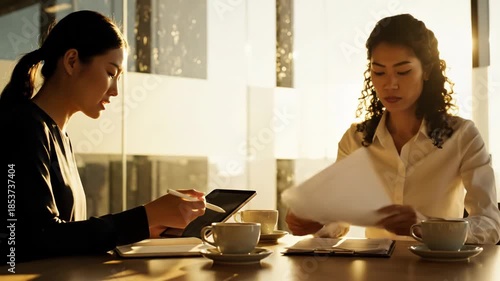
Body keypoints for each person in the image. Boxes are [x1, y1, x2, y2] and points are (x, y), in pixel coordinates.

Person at [0, 10, 206, 263]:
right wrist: (145, 216)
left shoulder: (58, 135)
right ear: (72, 61)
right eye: (111, 73)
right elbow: (35, 237)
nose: (115, 90)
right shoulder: (23, 127)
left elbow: (63, 236)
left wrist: (146, 228)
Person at [286, 13, 500, 244]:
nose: (390, 84)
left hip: (441, 272)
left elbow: (490, 224)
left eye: (403, 71)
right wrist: (316, 220)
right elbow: (340, 220)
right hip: (373, 272)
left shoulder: (462, 135)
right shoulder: (355, 139)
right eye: (379, 72)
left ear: (427, 71)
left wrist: (425, 226)